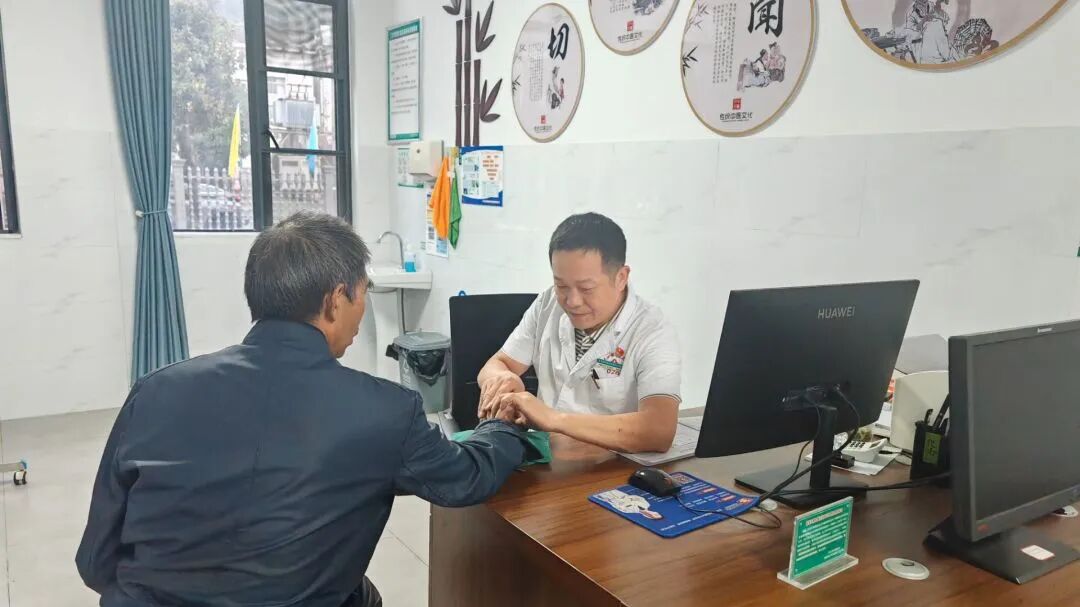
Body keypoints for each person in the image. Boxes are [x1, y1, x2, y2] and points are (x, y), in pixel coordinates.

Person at [76, 212, 529, 607]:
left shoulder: (155, 390)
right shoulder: (385, 411)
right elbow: (465, 478)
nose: (362, 308)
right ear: (336, 300)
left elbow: (95, 561)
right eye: (363, 293)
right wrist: (502, 424)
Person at [477, 213, 682, 453]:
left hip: (609, 465)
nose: (572, 301)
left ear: (621, 278)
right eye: (561, 285)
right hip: (546, 459)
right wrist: (501, 378)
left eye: (586, 288)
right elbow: (498, 363)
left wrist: (554, 419)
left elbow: (658, 430)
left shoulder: (652, 330)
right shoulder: (547, 304)